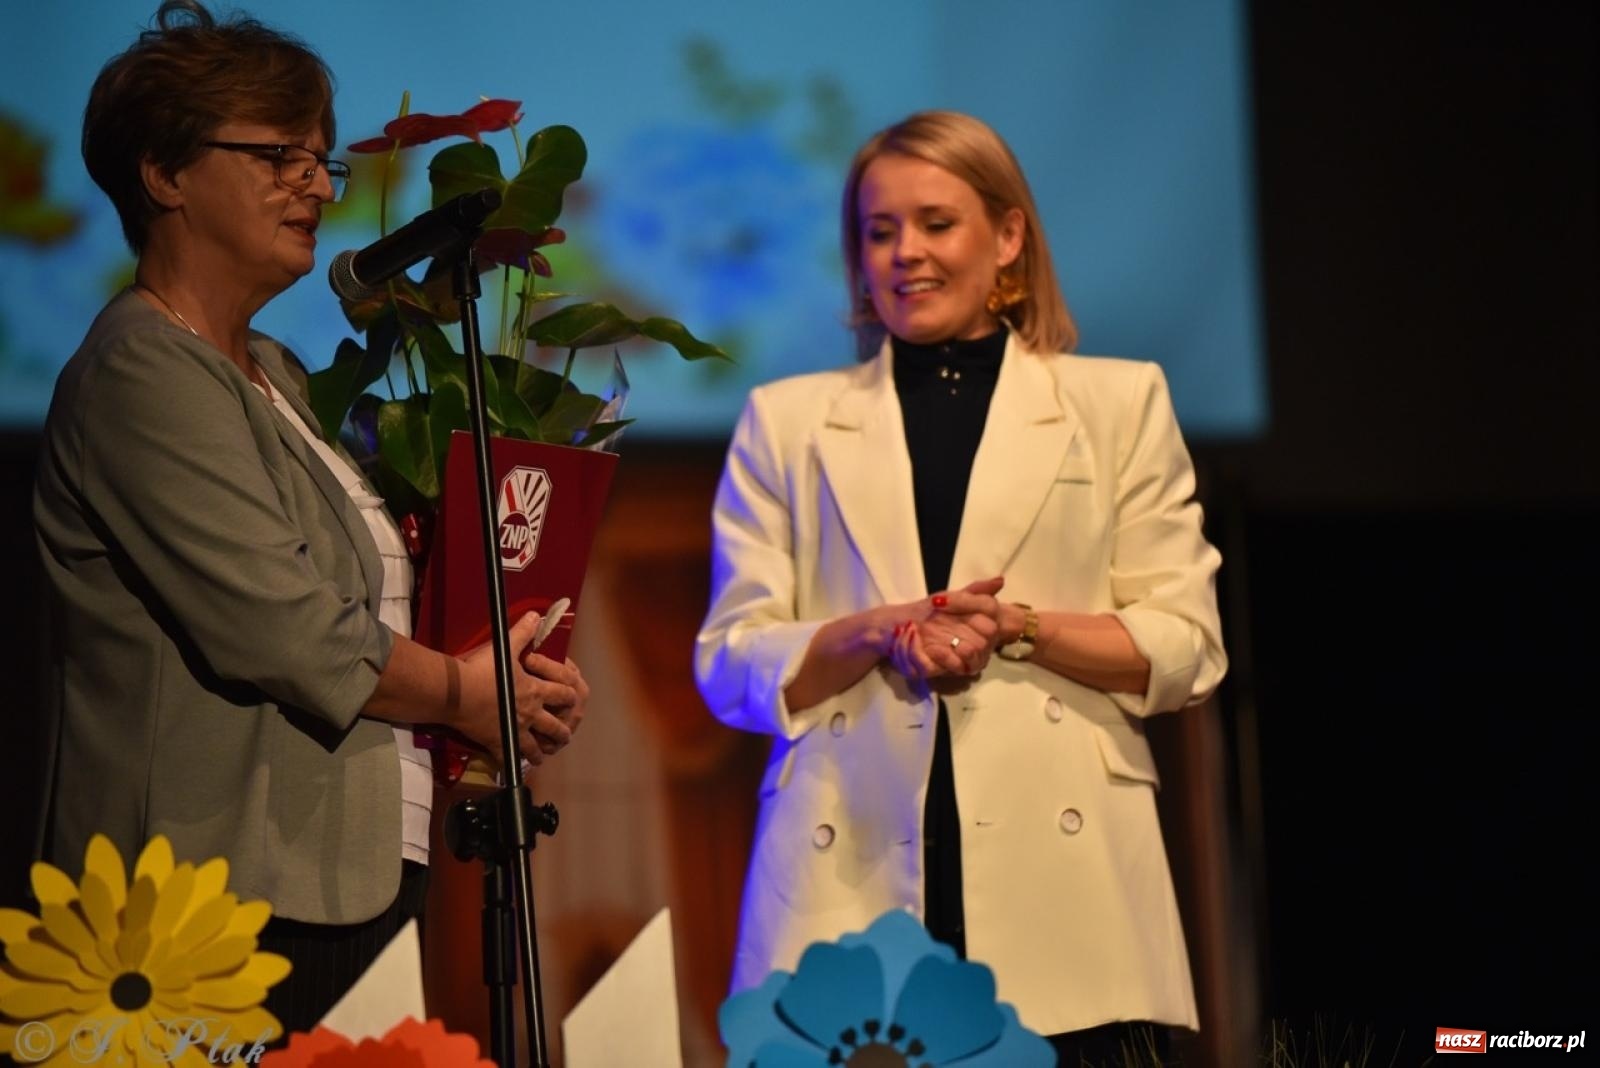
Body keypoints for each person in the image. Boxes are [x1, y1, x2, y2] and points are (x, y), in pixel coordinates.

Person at [32, 0, 587, 1037]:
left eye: (319, 159)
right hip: (204, 905)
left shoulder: (273, 374)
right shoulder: (142, 372)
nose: (317, 185)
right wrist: (466, 692)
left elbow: (368, 605)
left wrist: (510, 678)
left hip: (333, 878)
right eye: (277, 155)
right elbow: (288, 631)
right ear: (163, 173)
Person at [695, 110, 1226, 1062]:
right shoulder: (786, 421)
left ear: (1008, 236)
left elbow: (1187, 645)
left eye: (936, 223)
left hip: (1067, 887)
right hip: (848, 871)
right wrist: (880, 631)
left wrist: (1015, 626)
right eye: (880, 230)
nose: (906, 252)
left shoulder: (1118, 402)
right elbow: (730, 665)